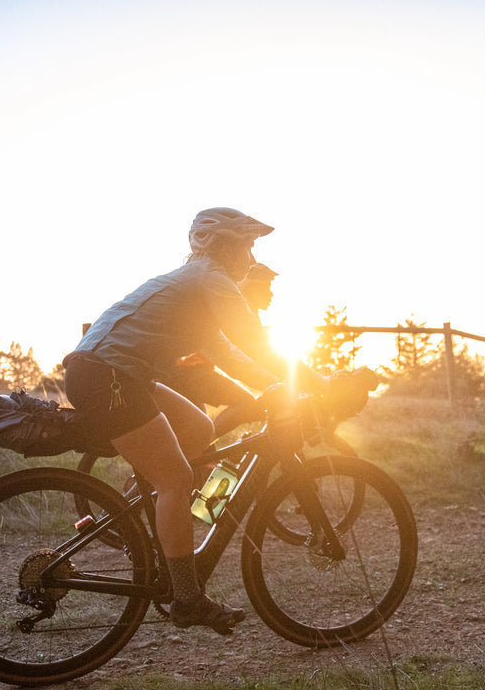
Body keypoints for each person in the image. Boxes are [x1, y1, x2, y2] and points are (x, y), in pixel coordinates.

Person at [63, 207, 325, 635]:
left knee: (200, 430)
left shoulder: (198, 283)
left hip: (115, 373)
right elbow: (255, 341)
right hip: (106, 375)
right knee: (176, 479)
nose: (253, 258)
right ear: (225, 246)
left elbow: (228, 354)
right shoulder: (211, 277)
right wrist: (318, 381)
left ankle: (141, 514)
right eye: (248, 246)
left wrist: (271, 384)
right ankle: (187, 598)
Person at [165, 262, 280, 439]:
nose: (271, 293)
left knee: (197, 434)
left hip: (187, 371)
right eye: (266, 287)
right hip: (185, 371)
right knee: (246, 403)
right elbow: (241, 359)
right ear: (251, 288)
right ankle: (200, 445)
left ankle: (199, 448)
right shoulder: (231, 311)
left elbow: (256, 358)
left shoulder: (244, 312)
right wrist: (277, 381)